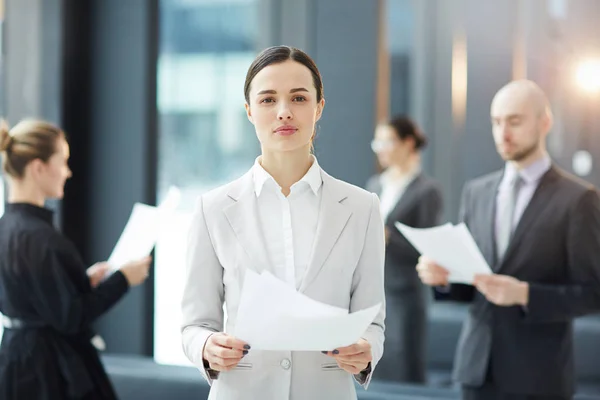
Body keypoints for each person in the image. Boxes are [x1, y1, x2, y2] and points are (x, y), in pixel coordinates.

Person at [181, 46, 385, 400]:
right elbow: (194, 324)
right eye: (267, 100)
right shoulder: (212, 209)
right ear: (248, 111)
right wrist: (206, 346)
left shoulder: (361, 207)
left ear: (319, 107)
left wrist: (367, 349)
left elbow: (373, 321)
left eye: (299, 98)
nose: (284, 112)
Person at [416, 80, 600, 400]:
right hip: (476, 370)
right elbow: (470, 286)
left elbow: (593, 293)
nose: (504, 132)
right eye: (496, 122)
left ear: (545, 122)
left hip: (540, 376)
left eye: (514, 121)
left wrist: (526, 294)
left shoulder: (578, 199)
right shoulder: (477, 192)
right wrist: (443, 279)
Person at [0, 119, 152, 400]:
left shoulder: (6, 227)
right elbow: (70, 317)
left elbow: (37, 297)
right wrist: (122, 280)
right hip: (49, 369)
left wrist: (82, 281)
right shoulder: (41, 238)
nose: (68, 173)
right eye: (63, 161)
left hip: (14, 359)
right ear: (38, 167)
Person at [366, 116, 443, 383]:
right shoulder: (376, 184)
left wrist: (389, 238)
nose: (381, 148)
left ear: (408, 143)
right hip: (376, 289)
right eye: (378, 142)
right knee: (376, 365)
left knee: (404, 364)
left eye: (387, 141)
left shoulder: (427, 190)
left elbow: (427, 247)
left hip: (406, 292)